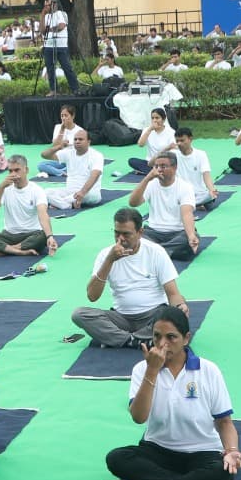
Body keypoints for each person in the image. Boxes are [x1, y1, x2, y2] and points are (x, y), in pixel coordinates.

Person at [101, 305, 240, 480]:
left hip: (203, 451)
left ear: (186, 338)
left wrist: (232, 451)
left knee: (223, 473)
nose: (162, 344)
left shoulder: (209, 370)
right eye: (157, 336)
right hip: (157, 450)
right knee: (116, 459)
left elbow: (225, 422)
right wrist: (152, 371)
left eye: (171, 337)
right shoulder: (142, 369)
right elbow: (139, 418)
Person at [70, 208, 188, 348]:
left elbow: (173, 293)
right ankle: (136, 340)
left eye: (126, 234)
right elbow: (92, 296)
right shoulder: (105, 255)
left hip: (154, 315)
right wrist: (109, 260)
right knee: (79, 314)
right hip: (121, 318)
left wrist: (179, 308)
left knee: (178, 315)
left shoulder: (156, 252)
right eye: (117, 233)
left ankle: (121, 339)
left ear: (140, 233)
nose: (120, 239)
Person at [0, 156, 57, 257]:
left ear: (26, 170)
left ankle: (6, 249)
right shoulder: (4, 189)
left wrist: (50, 236)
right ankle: (19, 251)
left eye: (17, 170)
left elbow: (43, 215)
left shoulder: (37, 190)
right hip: (8, 235)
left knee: (43, 236)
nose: (13, 174)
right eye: (10, 171)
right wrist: (0, 188)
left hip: (31, 234)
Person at [129, 153, 201, 261]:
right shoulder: (151, 184)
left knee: (189, 240)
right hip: (153, 232)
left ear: (175, 167)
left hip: (178, 232)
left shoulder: (185, 187)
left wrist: (191, 236)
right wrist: (147, 178)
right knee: (133, 237)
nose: (159, 170)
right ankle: (165, 251)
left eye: (163, 166)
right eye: (156, 166)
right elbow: (133, 203)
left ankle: (153, 251)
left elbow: (186, 214)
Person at [44, 130, 106, 212]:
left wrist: (82, 192)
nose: (77, 141)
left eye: (80, 139)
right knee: (45, 192)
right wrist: (58, 147)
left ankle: (59, 203)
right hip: (70, 191)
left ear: (88, 142)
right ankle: (66, 205)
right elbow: (44, 155)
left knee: (86, 195)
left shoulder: (97, 155)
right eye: (75, 139)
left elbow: (95, 175)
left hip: (89, 192)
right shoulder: (69, 153)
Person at [172, 127, 220, 211]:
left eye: (182, 140)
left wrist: (212, 190)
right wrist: (166, 148)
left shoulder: (201, 154)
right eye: (177, 141)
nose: (179, 143)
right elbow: (151, 163)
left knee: (209, 196)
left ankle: (191, 204)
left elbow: (206, 175)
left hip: (199, 194)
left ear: (190, 139)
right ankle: (194, 205)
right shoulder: (173, 155)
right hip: (180, 193)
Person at [40, 0, 79, 95]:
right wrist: (42, 15)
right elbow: (43, 31)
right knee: (50, 69)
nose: (46, 7)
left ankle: (75, 89)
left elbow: (61, 26)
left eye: (48, 5)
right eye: (45, 5)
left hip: (61, 46)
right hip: (48, 46)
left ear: (54, 5)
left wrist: (50, 29)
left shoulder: (61, 14)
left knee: (67, 67)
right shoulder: (46, 16)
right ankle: (54, 90)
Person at [37, 105, 86, 178]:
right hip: (59, 159)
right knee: (41, 165)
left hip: (73, 160)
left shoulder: (80, 130)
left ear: (72, 116)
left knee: (81, 164)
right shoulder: (57, 127)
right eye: (62, 116)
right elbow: (55, 145)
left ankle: (60, 171)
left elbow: (83, 150)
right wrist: (62, 130)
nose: (63, 118)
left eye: (66, 115)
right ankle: (62, 172)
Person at [129, 108, 177, 175]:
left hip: (164, 162)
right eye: (153, 118)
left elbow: (174, 150)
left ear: (163, 119)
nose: (154, 120)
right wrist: (149, 130)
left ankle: (152, 172)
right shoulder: (147, 130)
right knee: (132, 161)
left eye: (157, 118)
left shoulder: (171, 132)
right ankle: (157, 172)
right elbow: (140, 144)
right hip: (150, 163)